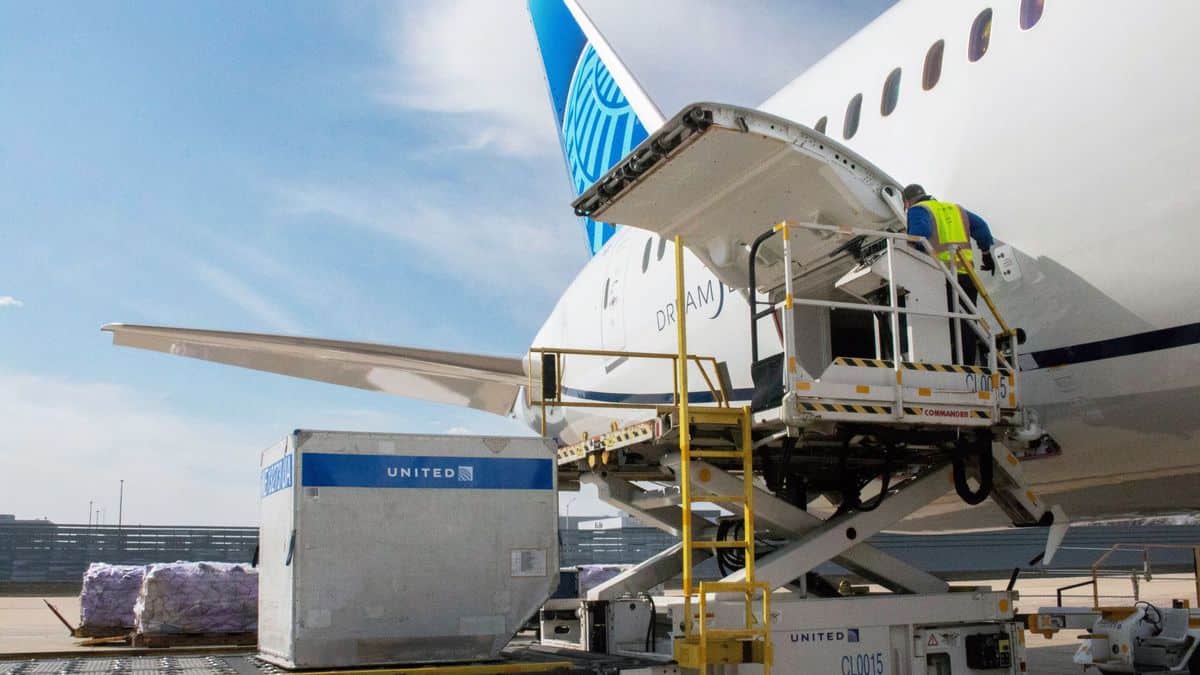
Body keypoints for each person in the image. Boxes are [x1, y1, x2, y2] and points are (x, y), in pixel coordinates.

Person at [901, 183, 995, 366]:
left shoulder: (918, 210)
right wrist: (985, 253)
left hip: (941, 276)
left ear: (906, 202)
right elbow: (981, 227)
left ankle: (951, 363)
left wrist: (910, 251)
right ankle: (967, 364)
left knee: (945, 324)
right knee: (967, 322)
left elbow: (920, 236)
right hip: (967, 275)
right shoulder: (956, 209)